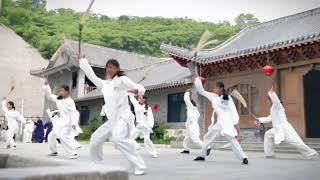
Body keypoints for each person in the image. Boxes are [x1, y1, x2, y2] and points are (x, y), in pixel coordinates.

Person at [78, 56, 146, 175]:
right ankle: (97, 162)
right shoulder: (105, 84)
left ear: (117, 68)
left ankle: (139, 165)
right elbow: (92, 77)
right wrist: (83, 62)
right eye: (107, 68)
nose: (108, 70)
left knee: (118, 138)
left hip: (122, 118)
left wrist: (137, 91)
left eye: (111, 67)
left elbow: (140, 88)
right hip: (112, 120)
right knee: (95, 138)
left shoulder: (122, 79)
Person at [193, 76, 248, 165]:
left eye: (216, 88)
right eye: (214, 88)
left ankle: (244, 157)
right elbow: (201, 91)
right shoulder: (213, 96)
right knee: (208, 137)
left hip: (227, 123)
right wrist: (198, 80)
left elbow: (233, 111)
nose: (214, 89)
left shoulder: (228, 98)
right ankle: (202, 155)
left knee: (233, 141)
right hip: (219, 124)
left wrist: (236, 124)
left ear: (221, 88)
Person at [253, 86, 319, 158]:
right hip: (277, 129)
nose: (268, 101)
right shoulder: (273, 109)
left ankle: (311, 153)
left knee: (296, 142)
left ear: (271, 100)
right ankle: (269, 154)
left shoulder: (278, 106)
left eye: (269, 100)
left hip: (285, 129)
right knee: (268, 134)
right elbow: (269, 118)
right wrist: (259, 119)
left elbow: (276, 101)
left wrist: (272, 94)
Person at [43, 81, 80, 159]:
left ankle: (74, 153)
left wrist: (74, 123)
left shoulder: (70, 102)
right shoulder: (58, 99)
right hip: (60, 122)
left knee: (63, 137)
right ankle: (54, 151)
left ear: (67, 92)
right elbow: (48, 96)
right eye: (60, 91)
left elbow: (74, 113)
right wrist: (46, 86)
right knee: (51, 136)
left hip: (68, 123)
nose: (60, 92)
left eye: (62, 90)